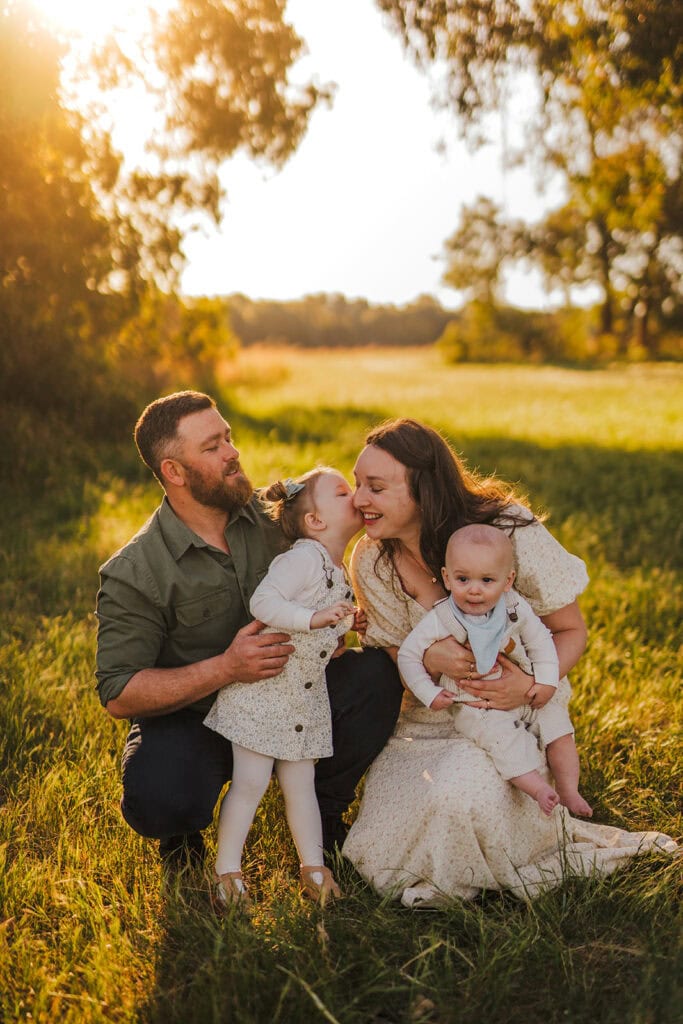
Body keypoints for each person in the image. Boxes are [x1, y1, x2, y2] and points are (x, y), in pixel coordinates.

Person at [343, 417, 676, 908]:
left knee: (459, 798)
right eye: (356, 484)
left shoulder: (506, 529)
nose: (358, 500)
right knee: (392, 827)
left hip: (516, 717)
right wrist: (427, 655)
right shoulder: (372, 560)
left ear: (424, 490)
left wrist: (529, 685)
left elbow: (571, 630)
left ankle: (508, 837)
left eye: (375, 487)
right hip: (431, 718)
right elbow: (388, 653)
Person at [95, 391, 402, 878]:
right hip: (199, 716)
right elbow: (119, 692)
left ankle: (322, 811)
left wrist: (333, 630)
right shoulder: (136, 570)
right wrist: (226, 668)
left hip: (293, 694)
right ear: (174, 471)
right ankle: (185, 831)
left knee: (376, 676)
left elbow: (326, 557)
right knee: (161, 796)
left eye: (229, 437)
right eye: (212, 446)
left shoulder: (276, 519)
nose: (232, 452)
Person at [203, 468, 361, 909]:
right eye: (343, 492)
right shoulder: (302, 559)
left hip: (301, 700)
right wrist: (314, 619)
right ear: (316, 521)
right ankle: (227, 872)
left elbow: (323, 633)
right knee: (251, 782)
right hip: (265, 693)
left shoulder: (337, 569)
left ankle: (314, 869)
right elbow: (264, 602)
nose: (355, 495)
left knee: (301, 784)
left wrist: (345, 628)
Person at [398, 523, 592, 817]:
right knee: (503, 741)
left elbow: (540, 641)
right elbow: (408, 655)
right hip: (479, 706)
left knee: (558, 727)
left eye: (487, 580)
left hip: (527, 692)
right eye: (463, 579)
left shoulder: (513, 607)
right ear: (447, 578)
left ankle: (569, 791)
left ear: (507, 580)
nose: (474, 589)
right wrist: (429, 692)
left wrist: (546, 681)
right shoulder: (442, 618)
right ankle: (538, 789)